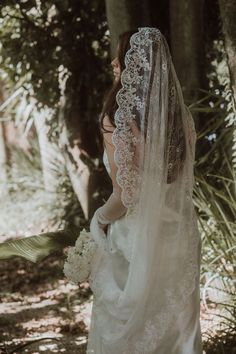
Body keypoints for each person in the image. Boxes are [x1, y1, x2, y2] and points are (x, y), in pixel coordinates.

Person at [87, 27, 203, 354]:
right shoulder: (183, 119)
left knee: (129, 335)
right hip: (180, 234)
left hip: (137, 241)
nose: (113, 61)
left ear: (135, 65)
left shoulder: (117, 119)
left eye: (120, 54)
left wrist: (99, 219)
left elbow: (127, 193)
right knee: (178, 332)